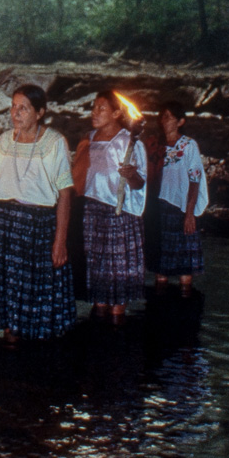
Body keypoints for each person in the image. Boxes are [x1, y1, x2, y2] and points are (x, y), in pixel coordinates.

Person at [0, 85, 76, 345]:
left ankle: (36, 365)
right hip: (6, 226)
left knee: (37, 301)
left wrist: (60, 240)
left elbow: (65, 194)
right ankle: (9, 356)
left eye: (23, 108)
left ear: (40, 112)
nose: (15, 113)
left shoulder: (55, 143)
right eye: (13, 106)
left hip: (39, 227)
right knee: (10, 306)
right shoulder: (3, 143)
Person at [72, 91, 146, 325]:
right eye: (93, 107)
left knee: (118, 279)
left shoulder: (129, 142)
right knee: (98, 275)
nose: (94, 113)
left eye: (101, 108)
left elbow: (140, 184)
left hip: (119, 213)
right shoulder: (89, 139)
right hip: (92, 211)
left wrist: (132, 175)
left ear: (116, 113)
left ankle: (117, 331)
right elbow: (78, 174)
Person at [152, 101, 206, 295]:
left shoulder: (189, 145)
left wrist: (190, 213)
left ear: (180, 121)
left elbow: (195, 180)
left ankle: (185, 310)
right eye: (162, 116)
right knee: (161, 269)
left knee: (185, 269)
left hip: (182, 209)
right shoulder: (156, 146)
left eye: (168, 117)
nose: (163, 120)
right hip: (160, 208)